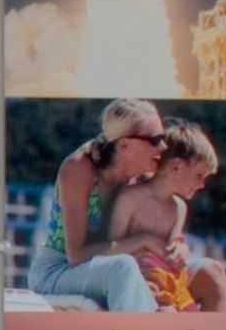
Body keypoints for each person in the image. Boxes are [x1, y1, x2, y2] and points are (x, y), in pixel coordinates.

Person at [24, 98, 165, 312]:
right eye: (155, 140)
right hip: (57, 270)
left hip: (103, 272)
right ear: (124, 144)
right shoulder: (80, 168)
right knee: (123, 267)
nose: (163, 147)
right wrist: (142, 241)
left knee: (206, 270)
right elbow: (76, 255)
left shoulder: (141, 179)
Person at [101, 121, 221, 312]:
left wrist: (181, 248)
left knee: (214, 275)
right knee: (164, 306)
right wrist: (144, 240)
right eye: (200, 175)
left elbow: (175, 243)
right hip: (141, 278)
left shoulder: (178, 207)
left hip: (170, 280)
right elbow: (109, 250)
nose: (202, 185)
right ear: (176, 167)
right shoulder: (131, 198)